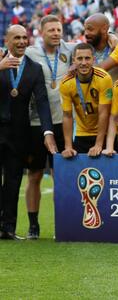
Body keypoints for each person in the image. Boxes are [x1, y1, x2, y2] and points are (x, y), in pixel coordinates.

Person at [0, 25, 55, 240]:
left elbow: (42, 102)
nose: (22, 41)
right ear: (7, 40)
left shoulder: (34, 68)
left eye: (25, 37)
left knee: (14, 180)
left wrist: (47, 131)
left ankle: (8, 229)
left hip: (18, 133)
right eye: (17, 38)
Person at [23, 15, 74, 239]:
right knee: (34, 174)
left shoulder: (71, 49)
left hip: (64, 121)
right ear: (41, 32)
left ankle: (61, 225)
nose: (56, 33)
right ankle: (33, 226)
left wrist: (110, 36)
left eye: (59, 29)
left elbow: (97, 44)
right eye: (51, 30)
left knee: (59, 176)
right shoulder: (30, 52)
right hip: (36, 123)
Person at [59, 43, 112, 158]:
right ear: (74, 60)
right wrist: (68, 147)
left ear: (94, 59)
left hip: (105, 133)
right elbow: (67, 116)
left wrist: (98, 144)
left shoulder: (104, 78)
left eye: (87, 58)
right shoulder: (66, 83)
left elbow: (104, 113)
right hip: (82, 132)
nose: (83, 63)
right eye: (79, 59)